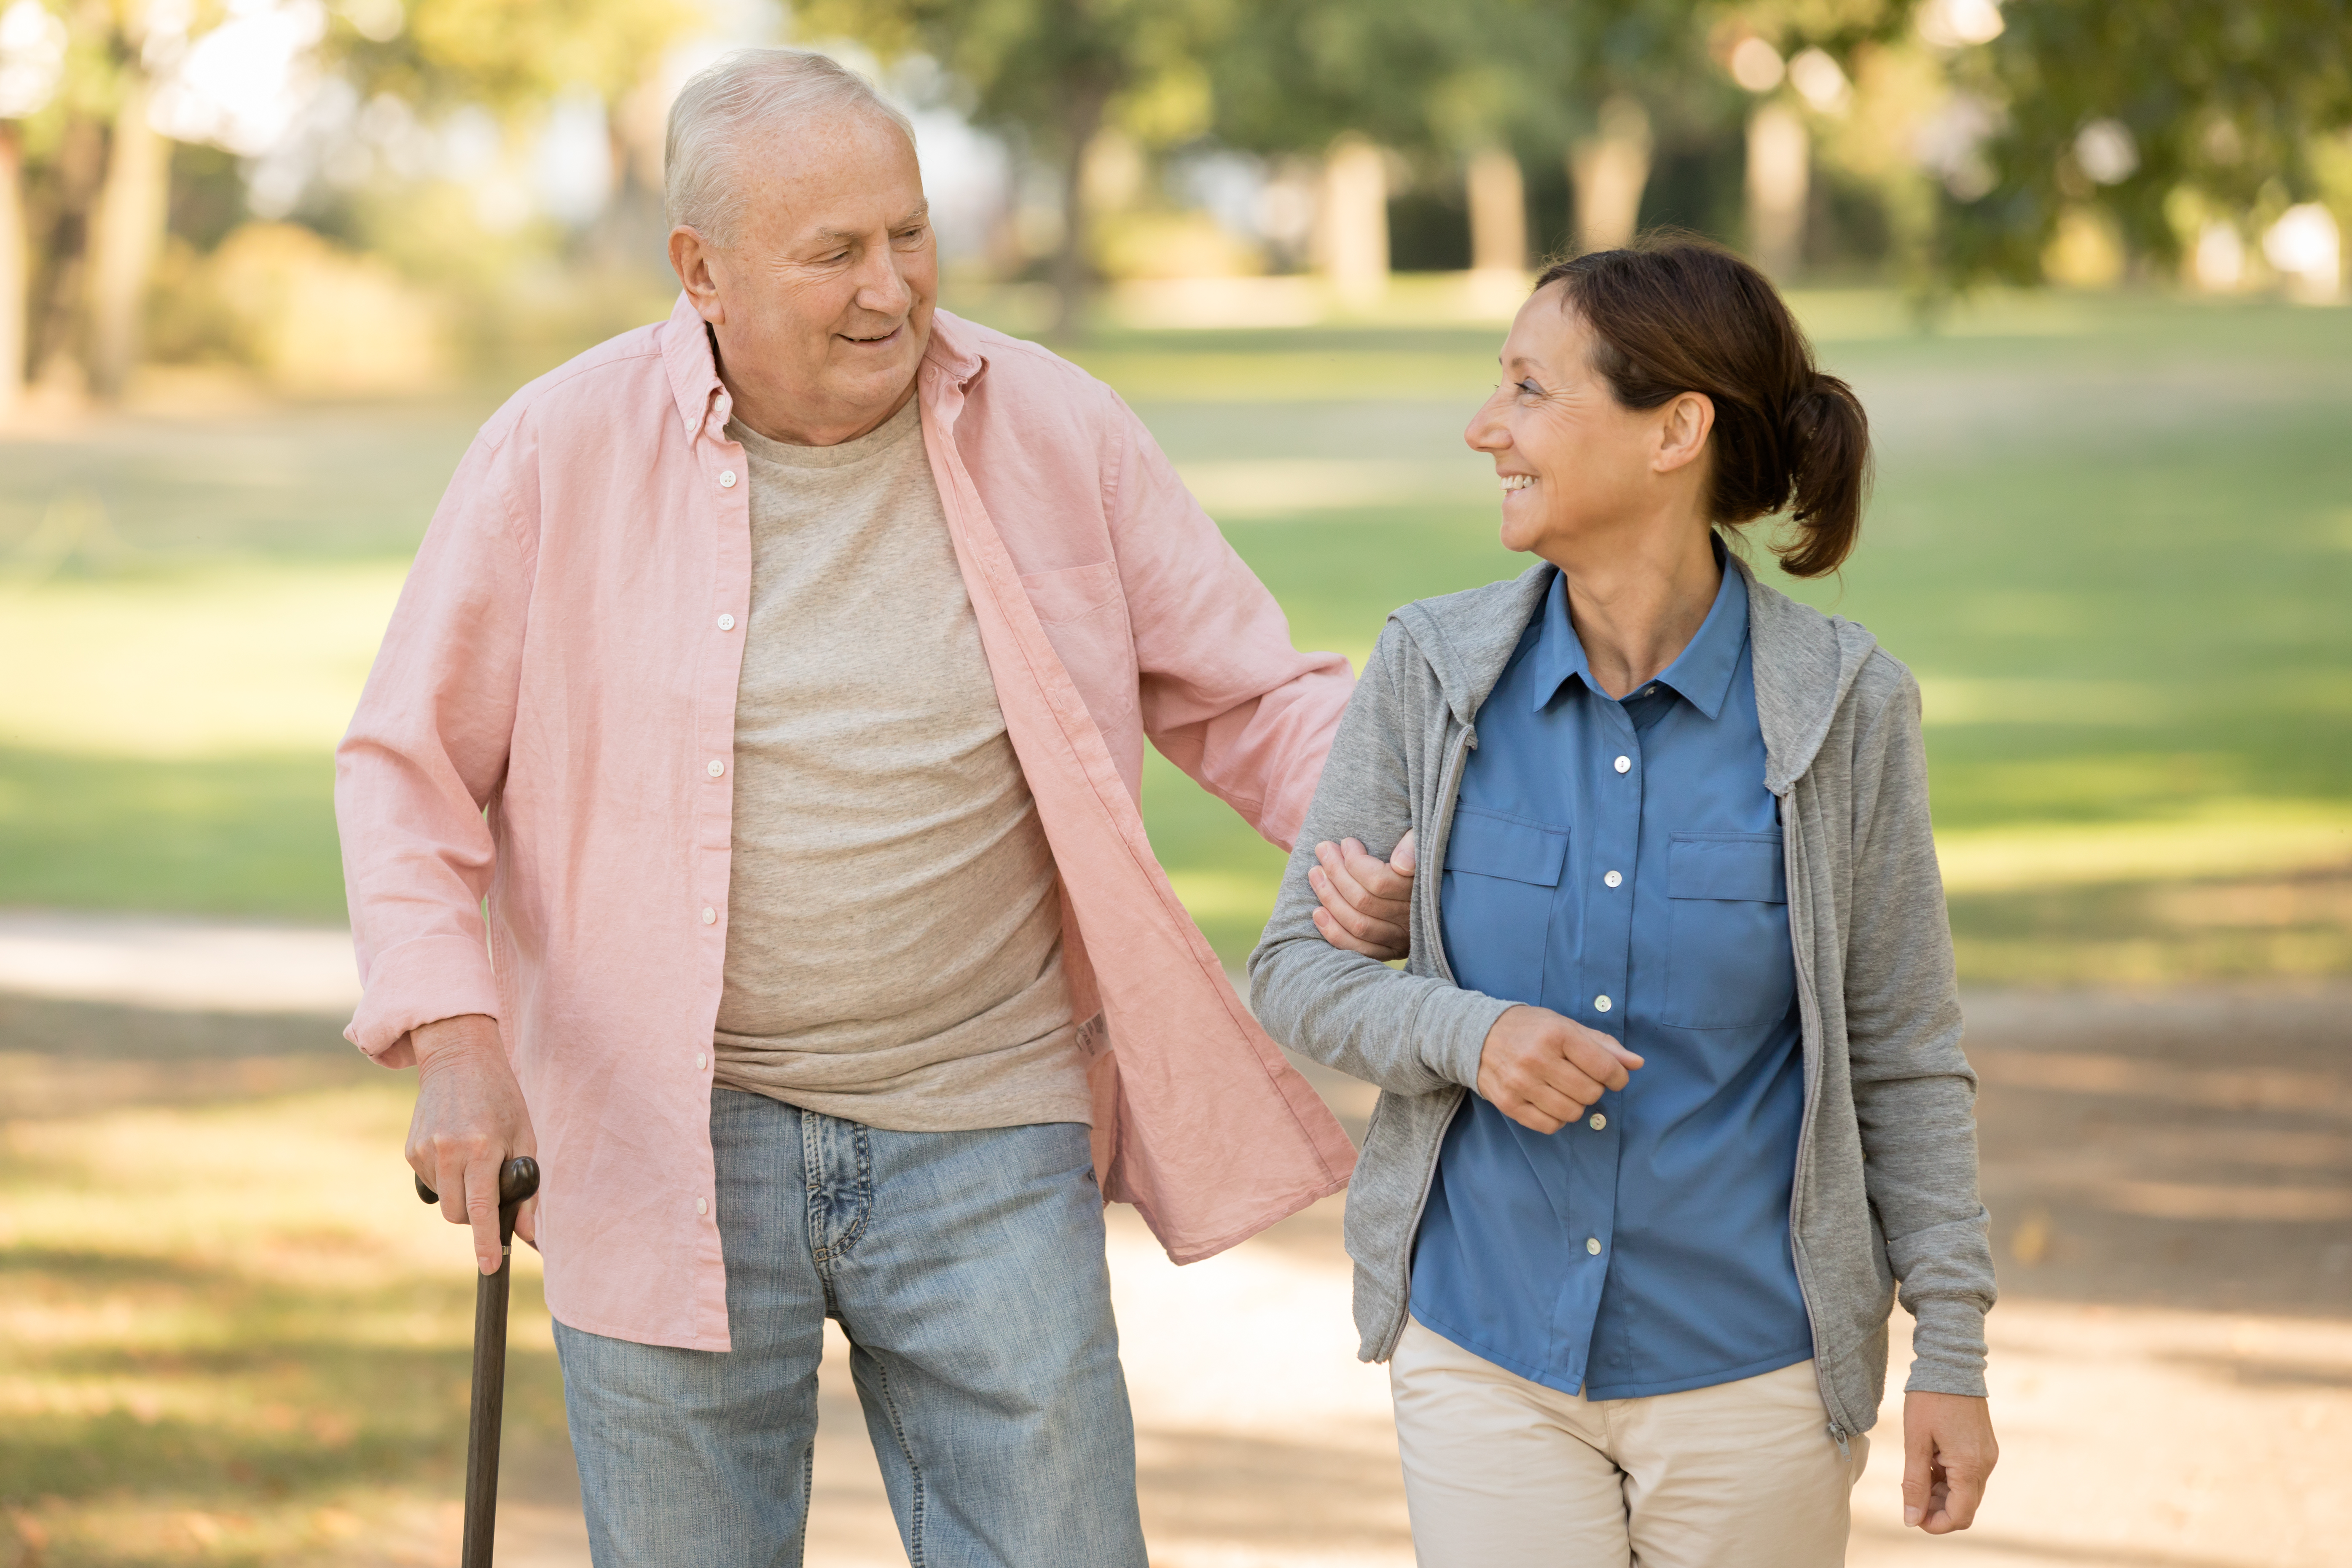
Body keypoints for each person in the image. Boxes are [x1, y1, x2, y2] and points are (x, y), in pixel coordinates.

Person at [335, 47, 1409, 1567]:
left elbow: (1250, 699)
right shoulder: (552, 452)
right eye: (833, 252)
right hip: (661, 1133)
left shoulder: (1055, 425)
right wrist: (454, 1047)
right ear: (699, 269)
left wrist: (1416, 843)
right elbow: (408, 769)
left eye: (908, 234)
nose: (891, 289)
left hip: (988, 1116)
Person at [1250, 236, 1999, 1566]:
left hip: (1751, 1370)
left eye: (1531, 391)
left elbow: (1902, 1060)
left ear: (1676, 431)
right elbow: (1295, 975)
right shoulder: (1431, 672)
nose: (1487, 428)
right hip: (1484, 1352)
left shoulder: (1842, 708)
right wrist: (1465, 1033)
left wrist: (1951, 1347)